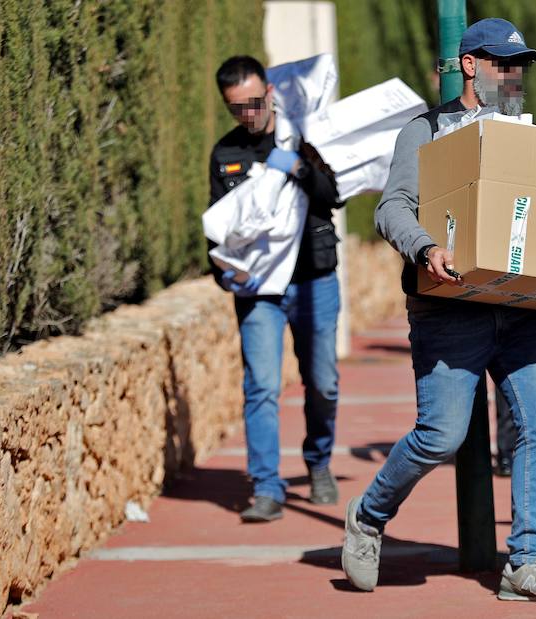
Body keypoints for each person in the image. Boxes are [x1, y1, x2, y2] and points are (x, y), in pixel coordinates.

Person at [341, 19, 536, 604]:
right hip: (449, 310)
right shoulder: (424, 131)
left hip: (520, 310)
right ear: (470, 65)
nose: (515, 75)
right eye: (504, 64)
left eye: (520, 65)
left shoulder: (528, 134)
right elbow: (392, 206)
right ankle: (368, 515)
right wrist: (426, 247)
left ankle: (524, 563)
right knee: (441, 436)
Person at [209, 56, 344, 522]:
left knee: (322, 383)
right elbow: (217, 228)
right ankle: (267, 486)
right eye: (235, 108)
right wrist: (221, 272)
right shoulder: (225, 153)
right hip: (259, 291)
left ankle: (319, 462)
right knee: (261, 386)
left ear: (268, 91)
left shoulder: (301, 135)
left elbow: (334, 196)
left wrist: (303, 170)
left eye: (252, 103)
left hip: (314, 278)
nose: (246, 114)